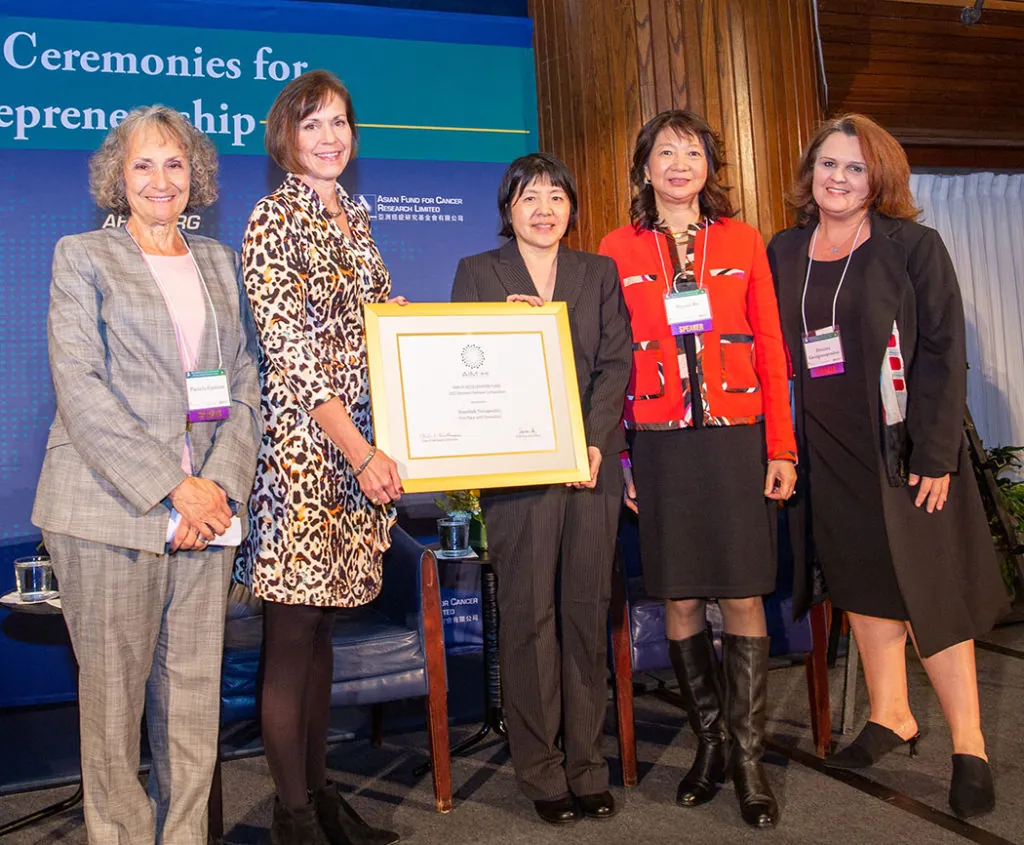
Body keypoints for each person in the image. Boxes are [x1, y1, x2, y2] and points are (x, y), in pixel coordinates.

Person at [31, 105, 261, 845]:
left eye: (175, 163)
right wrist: (175, 485)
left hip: (207, 516)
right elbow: (82, 388)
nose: (161, 179)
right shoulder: (82, 256)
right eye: (143, 164)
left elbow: (245, 383)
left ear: (195, 176)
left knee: (194, 710)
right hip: (109, 514)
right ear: (115, 177)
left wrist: (218, 487)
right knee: (112, 715)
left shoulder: (218, 263)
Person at [768, 113, 1009, 819]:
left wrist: (936, 453)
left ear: (879, 178)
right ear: (810, 172)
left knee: (928, 589)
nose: (838, 178)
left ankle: (970, 745)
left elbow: (942, 350)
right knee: (863, 582)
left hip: (902, 451)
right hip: (826, 448)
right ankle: (890, 714)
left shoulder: (913, 246)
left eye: (854, 167)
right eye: (828, 165)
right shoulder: (785, 249)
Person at [599, 110, 797, 829]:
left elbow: (772, 346)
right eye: (664, 152)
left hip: (738, 437)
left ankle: (748, 759)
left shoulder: (743, 240)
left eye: (692, 152)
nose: (679, 163)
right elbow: (607, 357)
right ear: (643, 166)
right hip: (657, 441)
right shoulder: (615, 247)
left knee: (743, 593)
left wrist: (783, 446)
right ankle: (709, 745)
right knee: (679, 595)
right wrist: (619, 453)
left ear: (709, 165)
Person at [233, 70, 405, 845]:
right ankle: (293, 817)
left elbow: (373, 326)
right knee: (292, 635)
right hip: (306, 457)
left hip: (358, 454)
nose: (331, 137)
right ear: (286, 138)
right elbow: (293, 356)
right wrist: (361, 452)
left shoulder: (356, 218)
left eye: (340, 121)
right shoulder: (273, 218)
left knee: (324, 633)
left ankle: (323, 795)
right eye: (313, 125)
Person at [451, 153, 632, 825]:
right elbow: (463, 364)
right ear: (509, 209)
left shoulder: (598, 272)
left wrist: (591, 441)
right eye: (530, 196)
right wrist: (504, 324)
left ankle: (588, 763)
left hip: (590, 468)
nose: (545, 208)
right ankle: (540, 768)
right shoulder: (478, 274)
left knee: (585, 615)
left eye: (557, 196)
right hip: (518, 474)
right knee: (529, 617)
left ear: (571, 209)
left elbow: (616, 362)